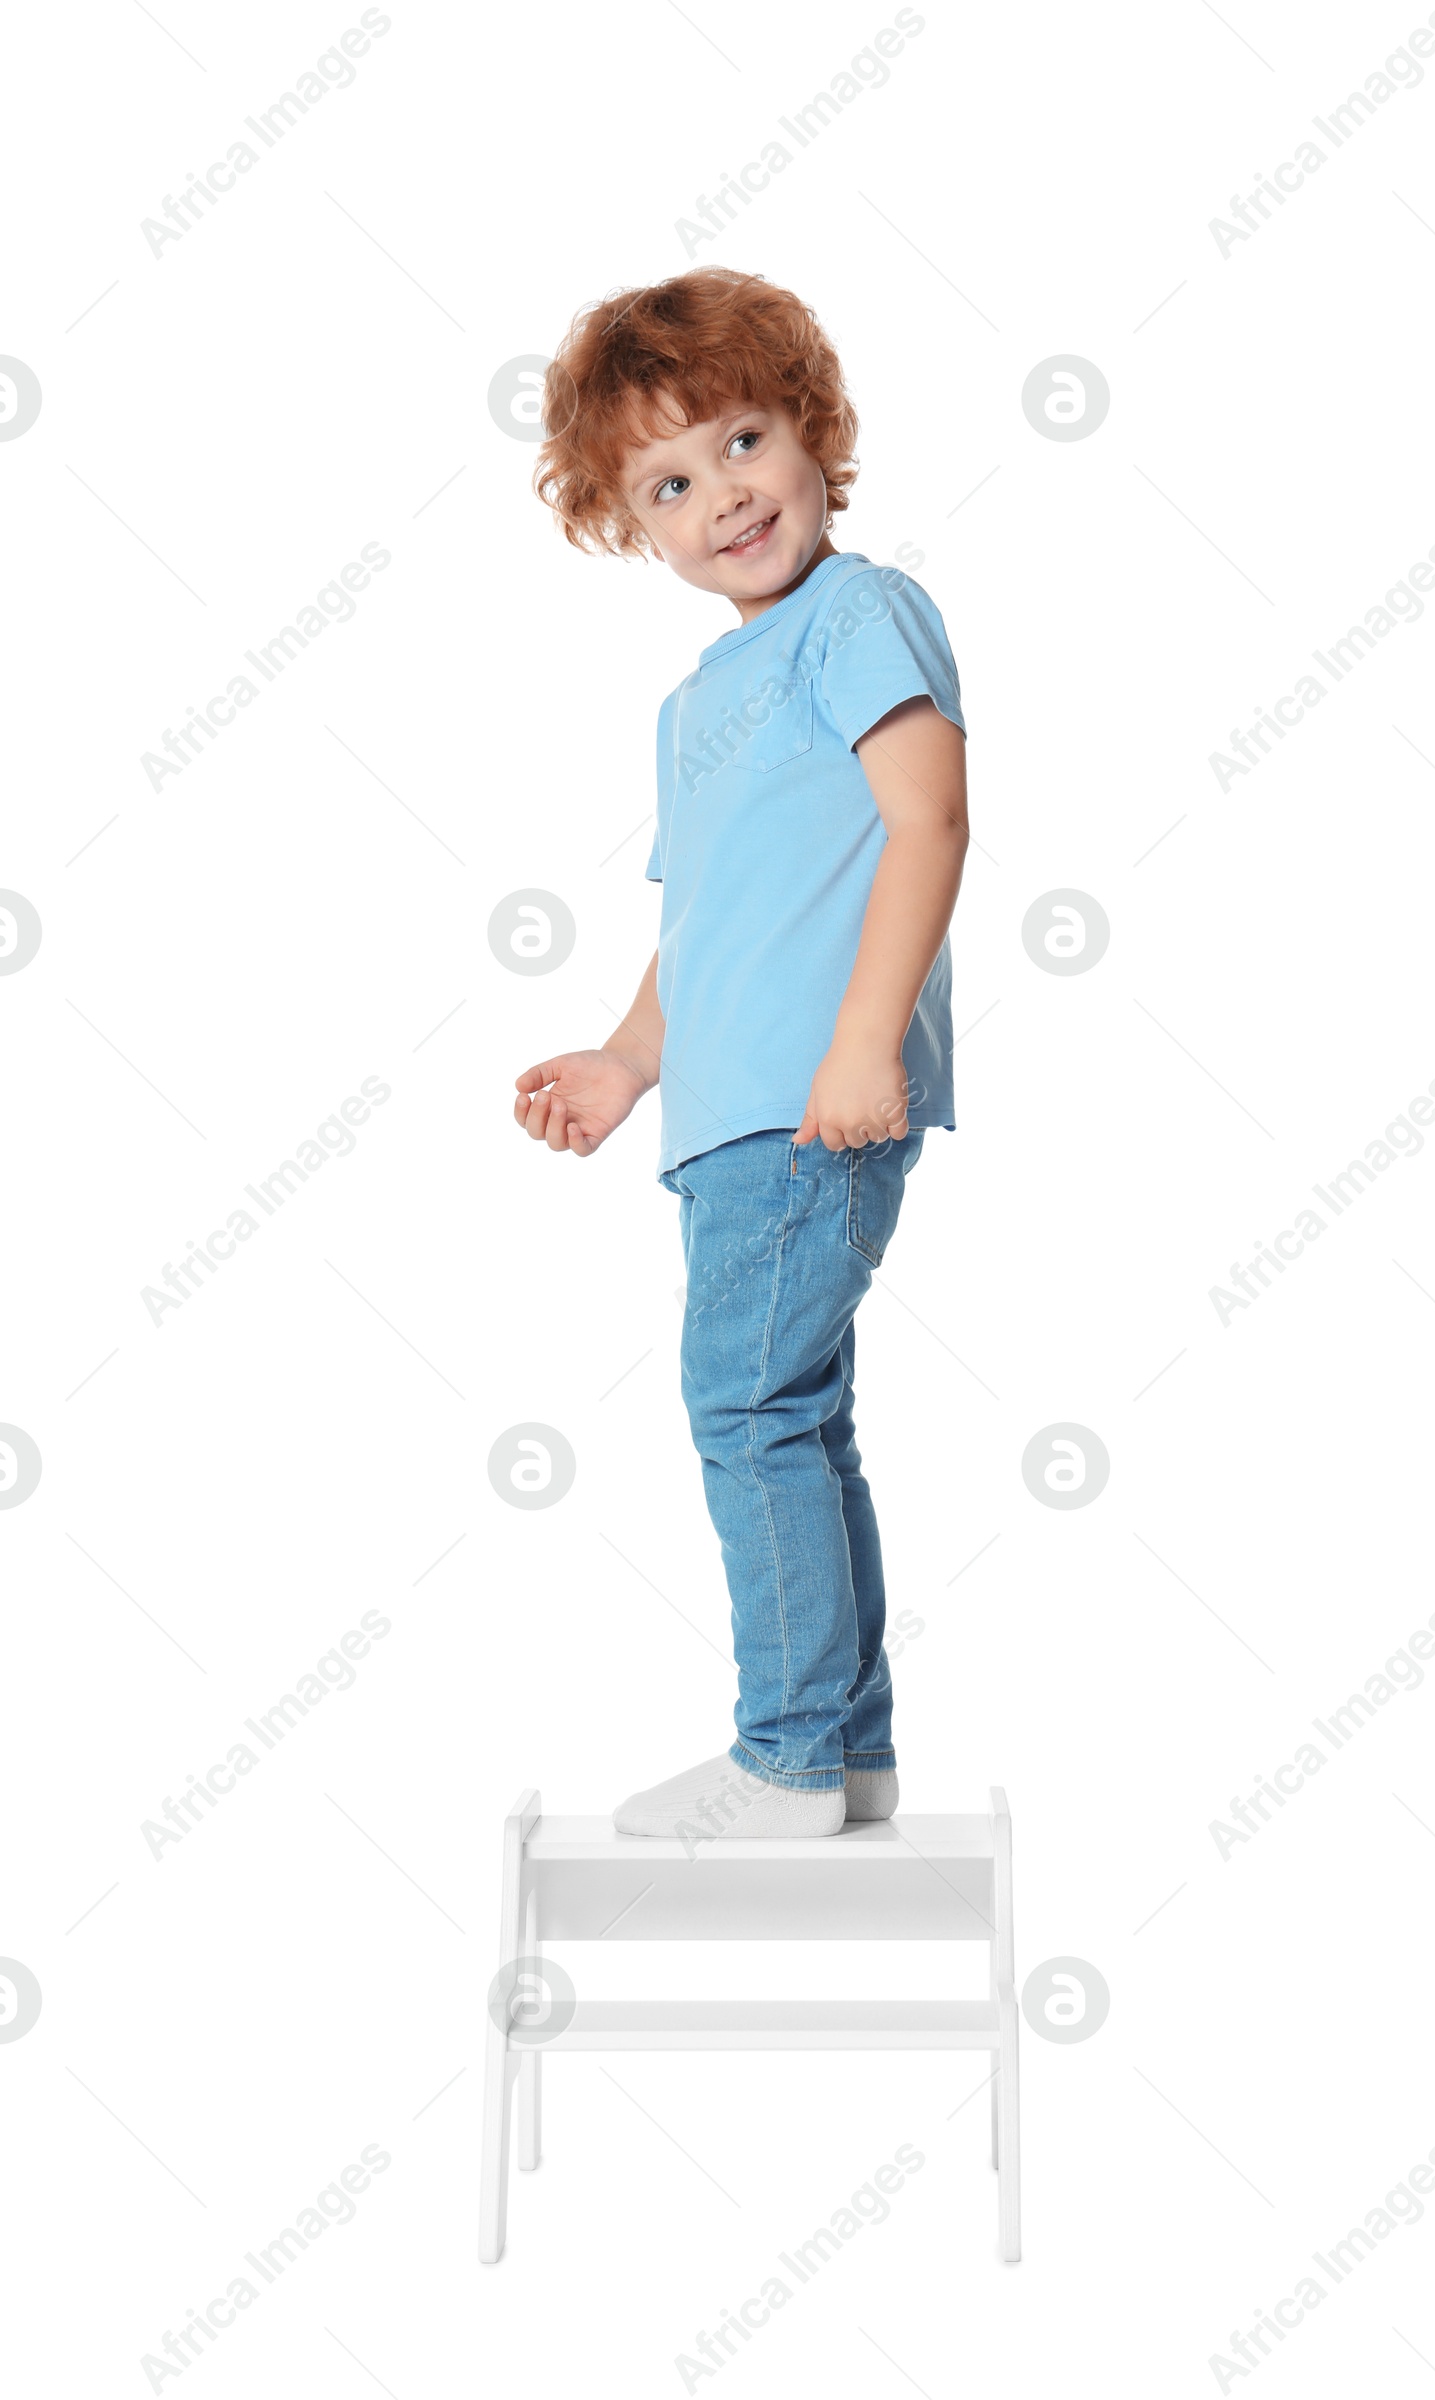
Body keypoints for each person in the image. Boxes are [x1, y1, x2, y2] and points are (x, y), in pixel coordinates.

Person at [517, 267, 968, 1841]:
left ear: (815, 436)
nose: (724, 495)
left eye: (746, 440)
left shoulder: (859, 616)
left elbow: (929, 822)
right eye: (671, 481)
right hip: (728, 1122)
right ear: (631, 525)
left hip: (812, 1106)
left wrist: (863, 1045)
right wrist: (628, 1062)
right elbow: (703, 920)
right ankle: (847, 1753)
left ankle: (782, 1758)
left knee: (747, 1410)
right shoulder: (701, 696)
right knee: (799, 1415)